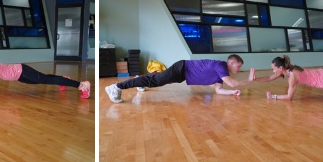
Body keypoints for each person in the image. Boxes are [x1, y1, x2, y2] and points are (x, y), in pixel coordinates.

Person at [105, 54, 256, 103]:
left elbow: (219, 90)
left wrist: (232, 93)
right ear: (231, 62)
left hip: (182, 73)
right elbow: (232, 82)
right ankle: (116, 87)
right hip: (181, 69)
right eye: (238, 66)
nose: (239, 69)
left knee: (156, 78)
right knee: (155, 81)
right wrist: (249, 80)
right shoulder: (221, 66)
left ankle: (140, 80)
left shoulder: (220, 73)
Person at [0, 51, 91, 98]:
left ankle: (82, 85)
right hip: (20, 77)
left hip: (21, 70)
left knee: (45, 79)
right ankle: (63, 80)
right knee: (43, 79)